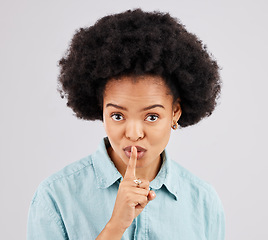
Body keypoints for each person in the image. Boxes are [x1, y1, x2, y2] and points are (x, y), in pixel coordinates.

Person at [27, 8, 225, 240]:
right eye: (118, 116)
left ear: (175, 113)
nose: (133, 134)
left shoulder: (203, 202)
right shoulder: (56, 197)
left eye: (151, 117)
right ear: (101, 111)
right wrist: (115, 226)